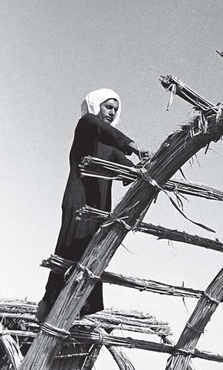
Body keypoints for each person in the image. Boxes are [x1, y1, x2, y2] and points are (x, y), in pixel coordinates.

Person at [36, 88, 149, 323]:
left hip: (99, 207)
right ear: (96, 105)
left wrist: (145, 166)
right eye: (108, 107)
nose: (111, 112)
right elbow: (102, 129)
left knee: (92, 253)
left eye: (115, 109)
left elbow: (127, 169)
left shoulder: (112, 147)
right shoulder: (86, 125)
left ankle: (81, 306)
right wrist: (133, 145)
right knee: (68, 248)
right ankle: (49, 301)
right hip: (78, 201)